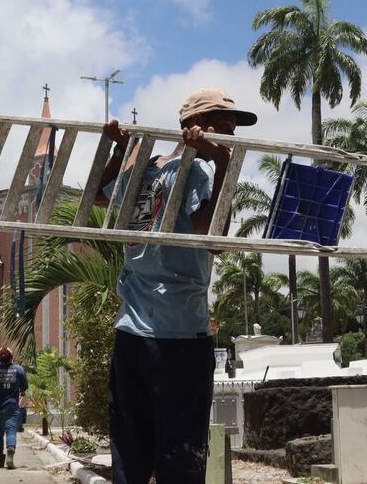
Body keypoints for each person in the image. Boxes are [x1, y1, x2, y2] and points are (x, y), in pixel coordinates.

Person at [96, 87, 257, 483]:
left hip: (131, 333)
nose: (229, 136)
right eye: (221, 126)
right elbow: (210, 235)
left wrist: (119, 152)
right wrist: (223, 166)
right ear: (192, 127)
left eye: (231, 129)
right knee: (180, 461)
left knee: (131, 456)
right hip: (181, 336)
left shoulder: (143, 169)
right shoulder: (198, 169)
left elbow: (99, 198)